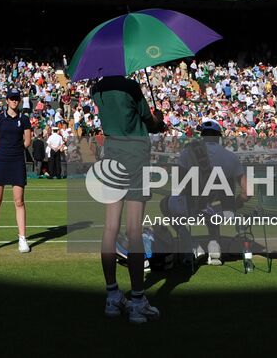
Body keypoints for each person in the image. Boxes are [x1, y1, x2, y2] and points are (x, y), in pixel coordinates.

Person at [91, 73, 166, 323]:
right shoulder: (131, 86)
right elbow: (148, 120)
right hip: (135, 152)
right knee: (134, 229)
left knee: (110, 227)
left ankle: (112, 296)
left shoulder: (97, 88)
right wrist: (159, 121)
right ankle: (137, 300)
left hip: (111, 153)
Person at [159, 120, 247, 265]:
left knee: (164, 204)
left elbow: (180, 183)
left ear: (202, 136)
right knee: (212, 210)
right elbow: (247, 193)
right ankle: (214, 249)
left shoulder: (188, 152)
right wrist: (236, 203)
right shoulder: (232, 157)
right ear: (219, 136)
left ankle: (192, 245)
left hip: (192, 208)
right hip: (223, 212)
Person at [0, 88, 32, 254]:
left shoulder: (24, 119)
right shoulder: (0, 118)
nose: (14, 101)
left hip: (17, 161)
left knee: (19, 201)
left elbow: (27, 141)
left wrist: (15, 149)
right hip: (1, 161)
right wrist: (2, 149)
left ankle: (22, 239)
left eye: (16, 99)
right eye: (11, 98)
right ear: (7, 100)